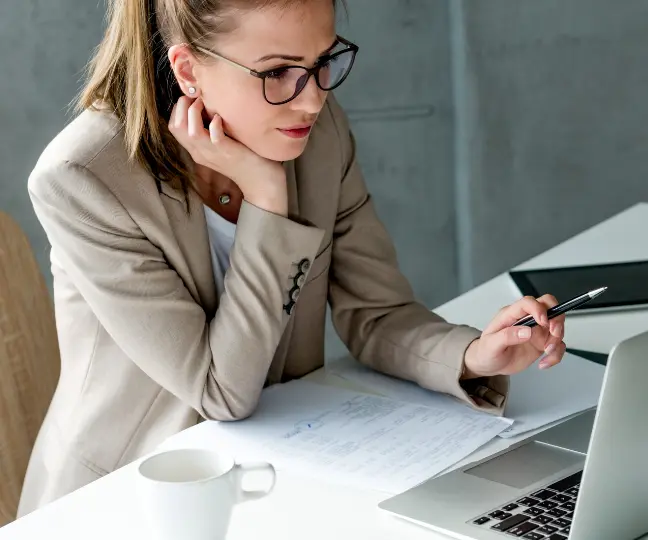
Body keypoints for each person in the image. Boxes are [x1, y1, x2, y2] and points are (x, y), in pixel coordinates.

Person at [18, 0, 567, 517]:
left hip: (282, 473)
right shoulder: (84, 178)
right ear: (188, 69)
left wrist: (473, 355)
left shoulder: (318, 135)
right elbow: (220, 390)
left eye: (322, 61)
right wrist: (265, 195)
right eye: (277, 71)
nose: (313, 98)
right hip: (130, 499)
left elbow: (376, 312)